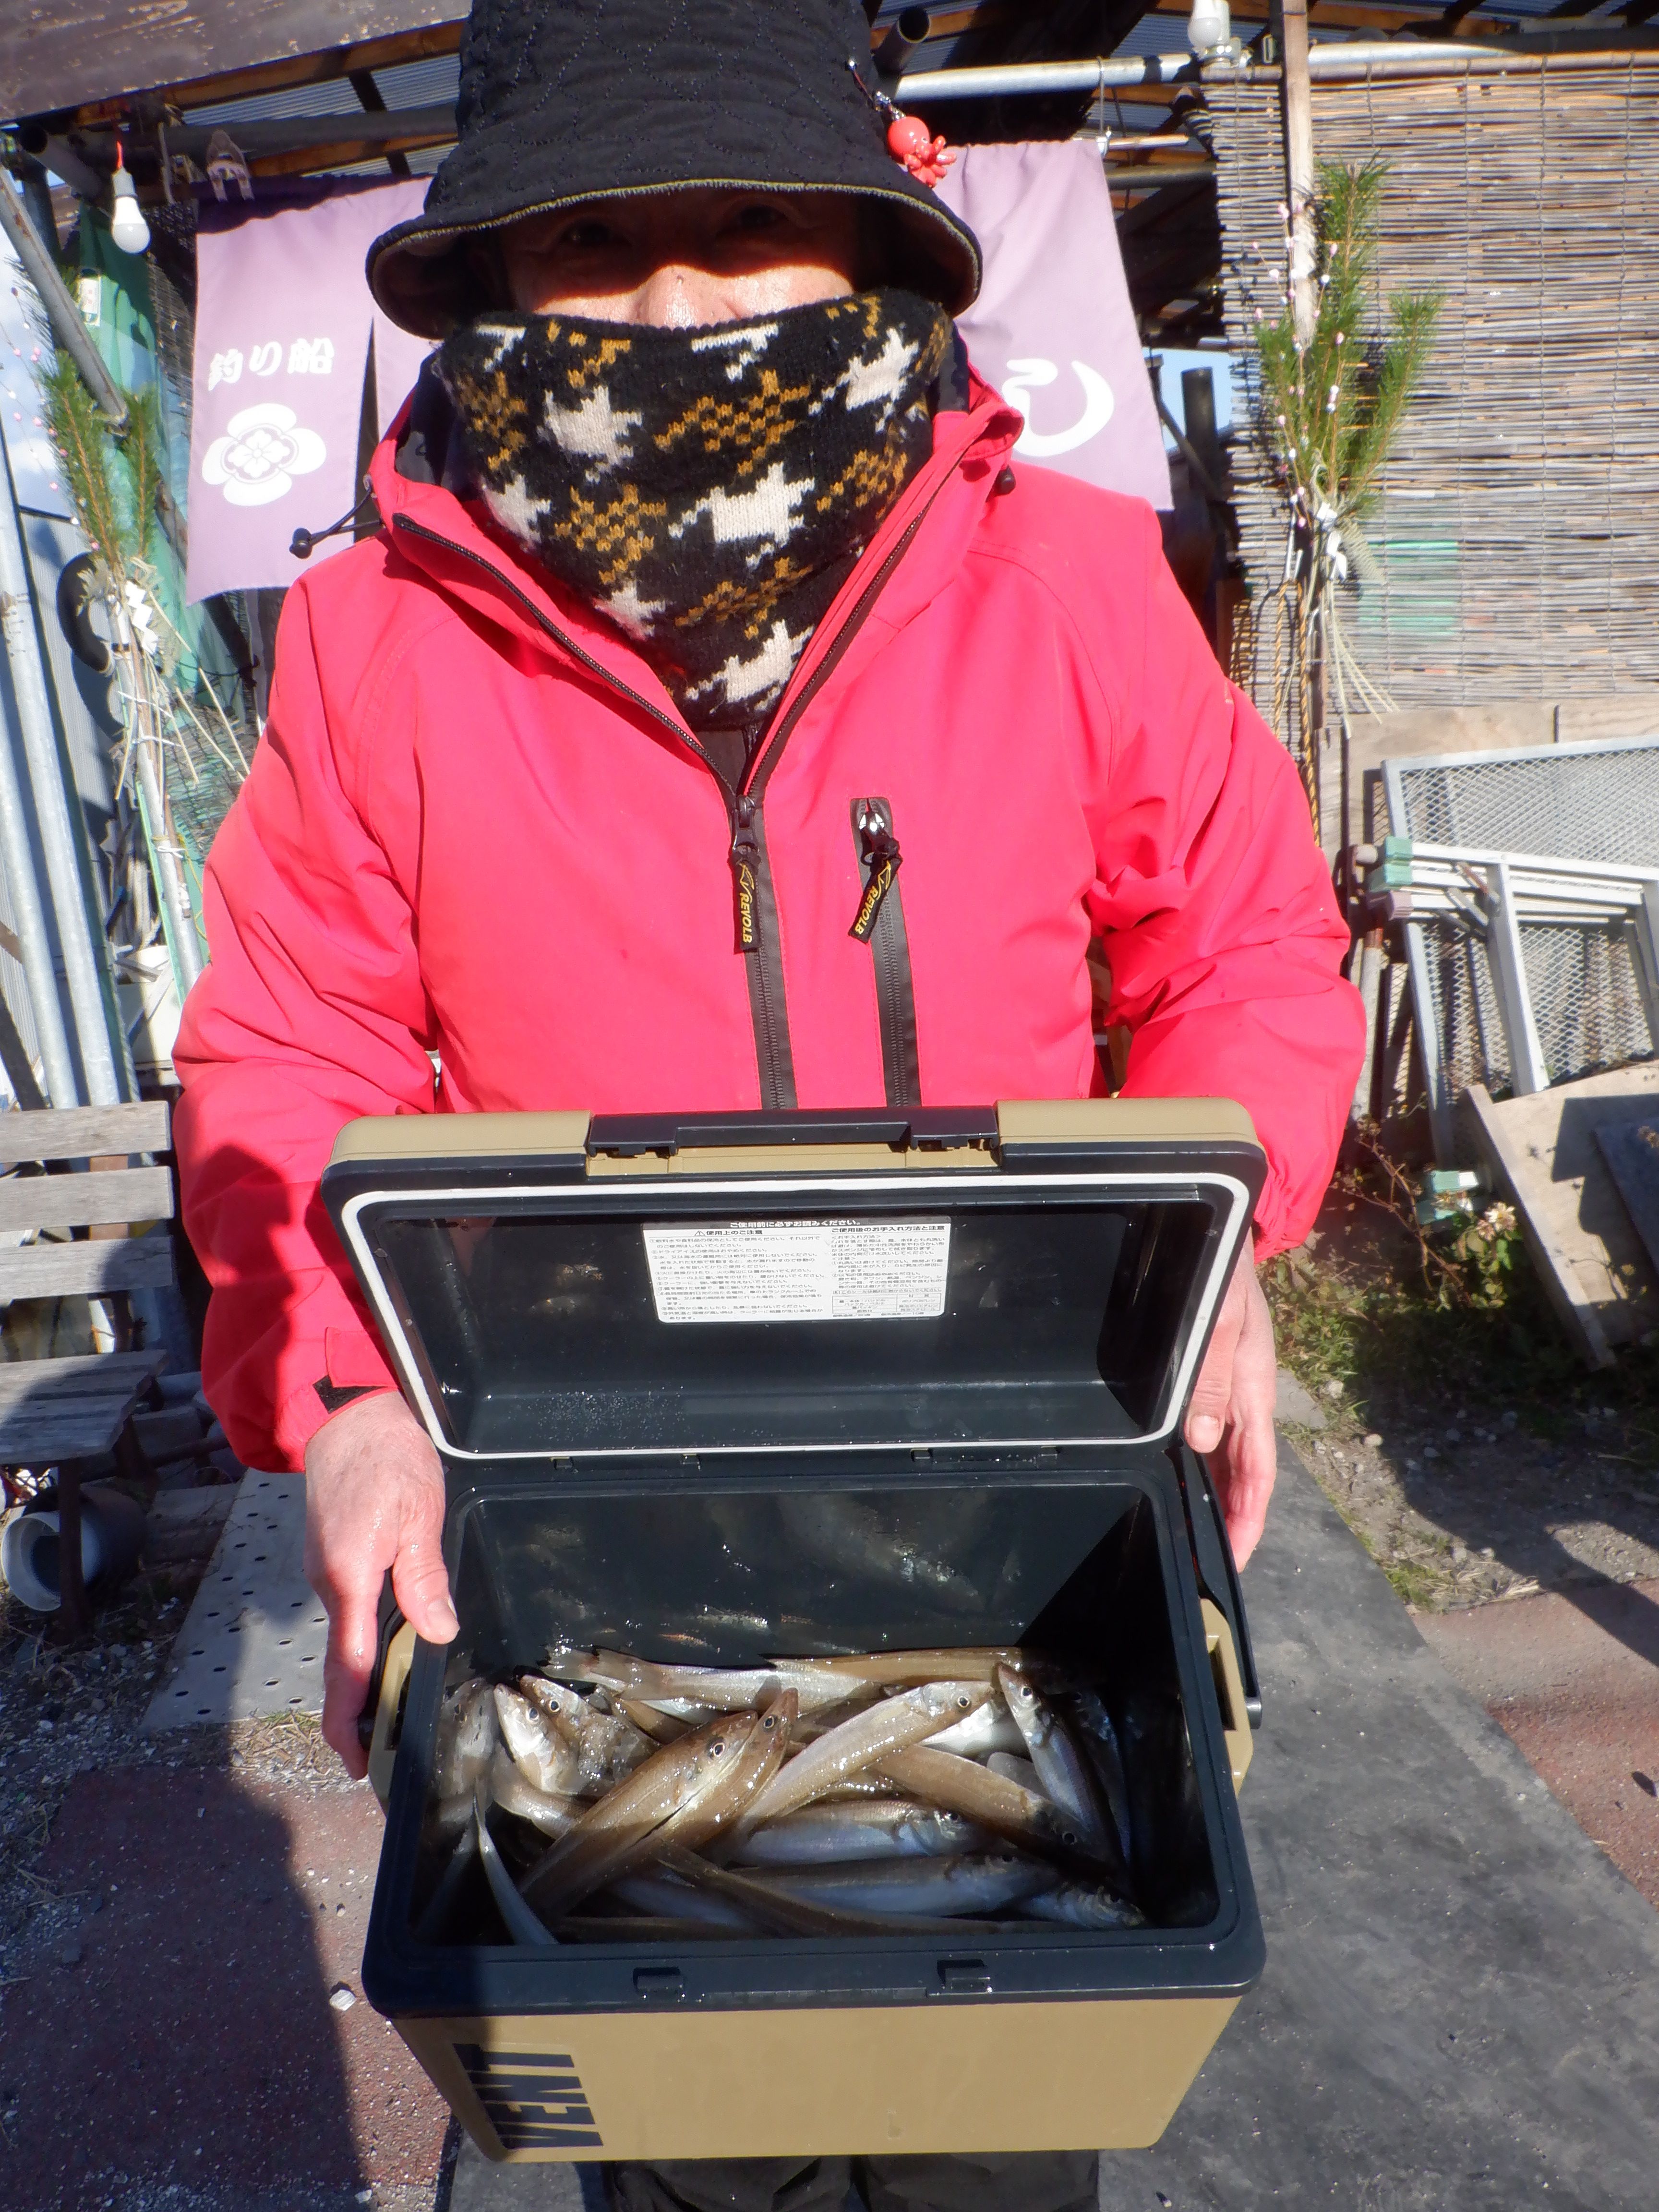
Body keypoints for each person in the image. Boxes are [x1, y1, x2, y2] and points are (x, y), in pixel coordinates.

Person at [175, 4, 1363, 2206]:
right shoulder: (369, 644)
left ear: (871, 239)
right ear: (494, 274)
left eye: (744, 221)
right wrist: (341, 1391)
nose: (676, 298)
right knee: (680, 2149)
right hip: (593, 1494)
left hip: (1008, 1453)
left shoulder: (1074, 579)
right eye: (593, 239)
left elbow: (1246, 947)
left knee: (1001, 2147)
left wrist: (1217, 1230)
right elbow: (290, 1048)